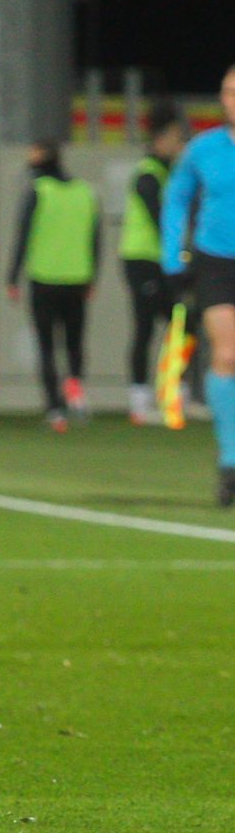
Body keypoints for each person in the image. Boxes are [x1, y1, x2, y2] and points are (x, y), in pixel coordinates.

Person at [162, 65, 235, 504]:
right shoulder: (203, 149)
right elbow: (175, 199)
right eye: (227, 91)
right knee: (226, 354)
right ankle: (230, 461)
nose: (232, 100)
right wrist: (172, 256)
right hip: (217, 262)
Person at [6, 139, 100, 431]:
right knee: (74, 342)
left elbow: (23, 235)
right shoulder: (85, 191)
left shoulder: (38, 191)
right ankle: (75, 393)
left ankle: (55, 409)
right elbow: (95, 238)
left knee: (47, 345)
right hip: (77, 277)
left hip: (44, 277)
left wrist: (12, 277)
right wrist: (93, 275)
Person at [121, 111, 189, 424]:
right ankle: (139, 401)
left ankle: (174, 394)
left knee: (181, 325)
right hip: (142, 260)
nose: (180, 144)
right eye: (176, 137)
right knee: (145, 326)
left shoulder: (169, 174)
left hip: (163, 260)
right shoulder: (147, 174)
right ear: (160, 140)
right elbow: (160, 218)